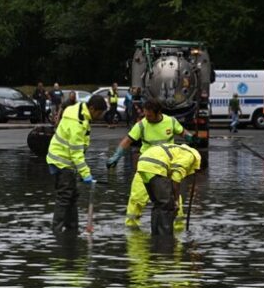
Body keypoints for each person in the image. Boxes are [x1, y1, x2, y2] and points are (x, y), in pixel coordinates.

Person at [106, 98, 195, 229]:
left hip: (166, 167)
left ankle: (177, 227)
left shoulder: (170, 122)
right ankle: (132, 228)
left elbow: (182, 132)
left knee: (173, 199)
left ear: (158, 113)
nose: (146, 117)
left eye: (149, 115)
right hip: (146, 167)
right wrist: (116, 155)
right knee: (136, 198)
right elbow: (128, 140)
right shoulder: (142, 124)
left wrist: (191, 137)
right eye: (145, 114)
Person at [46, 94, 108, 233]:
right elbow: (76, 153)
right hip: (63, 161)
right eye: (99, 113)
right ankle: (56, 232)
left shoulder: (78, 110)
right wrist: (86, 174)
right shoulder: (78, 123)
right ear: (91, 108)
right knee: (65, 196)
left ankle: (72, 229)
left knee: (72, 196)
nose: (100, 116)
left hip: (60, 158)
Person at [135, 143, 202, 236]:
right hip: (155, 166)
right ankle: (165, 238)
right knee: (167, 205)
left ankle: (155, 236)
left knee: (158, 205)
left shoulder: (179, 151)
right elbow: (176, 178)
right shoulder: (190, 157)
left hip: (143, 164)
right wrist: (176, 201)